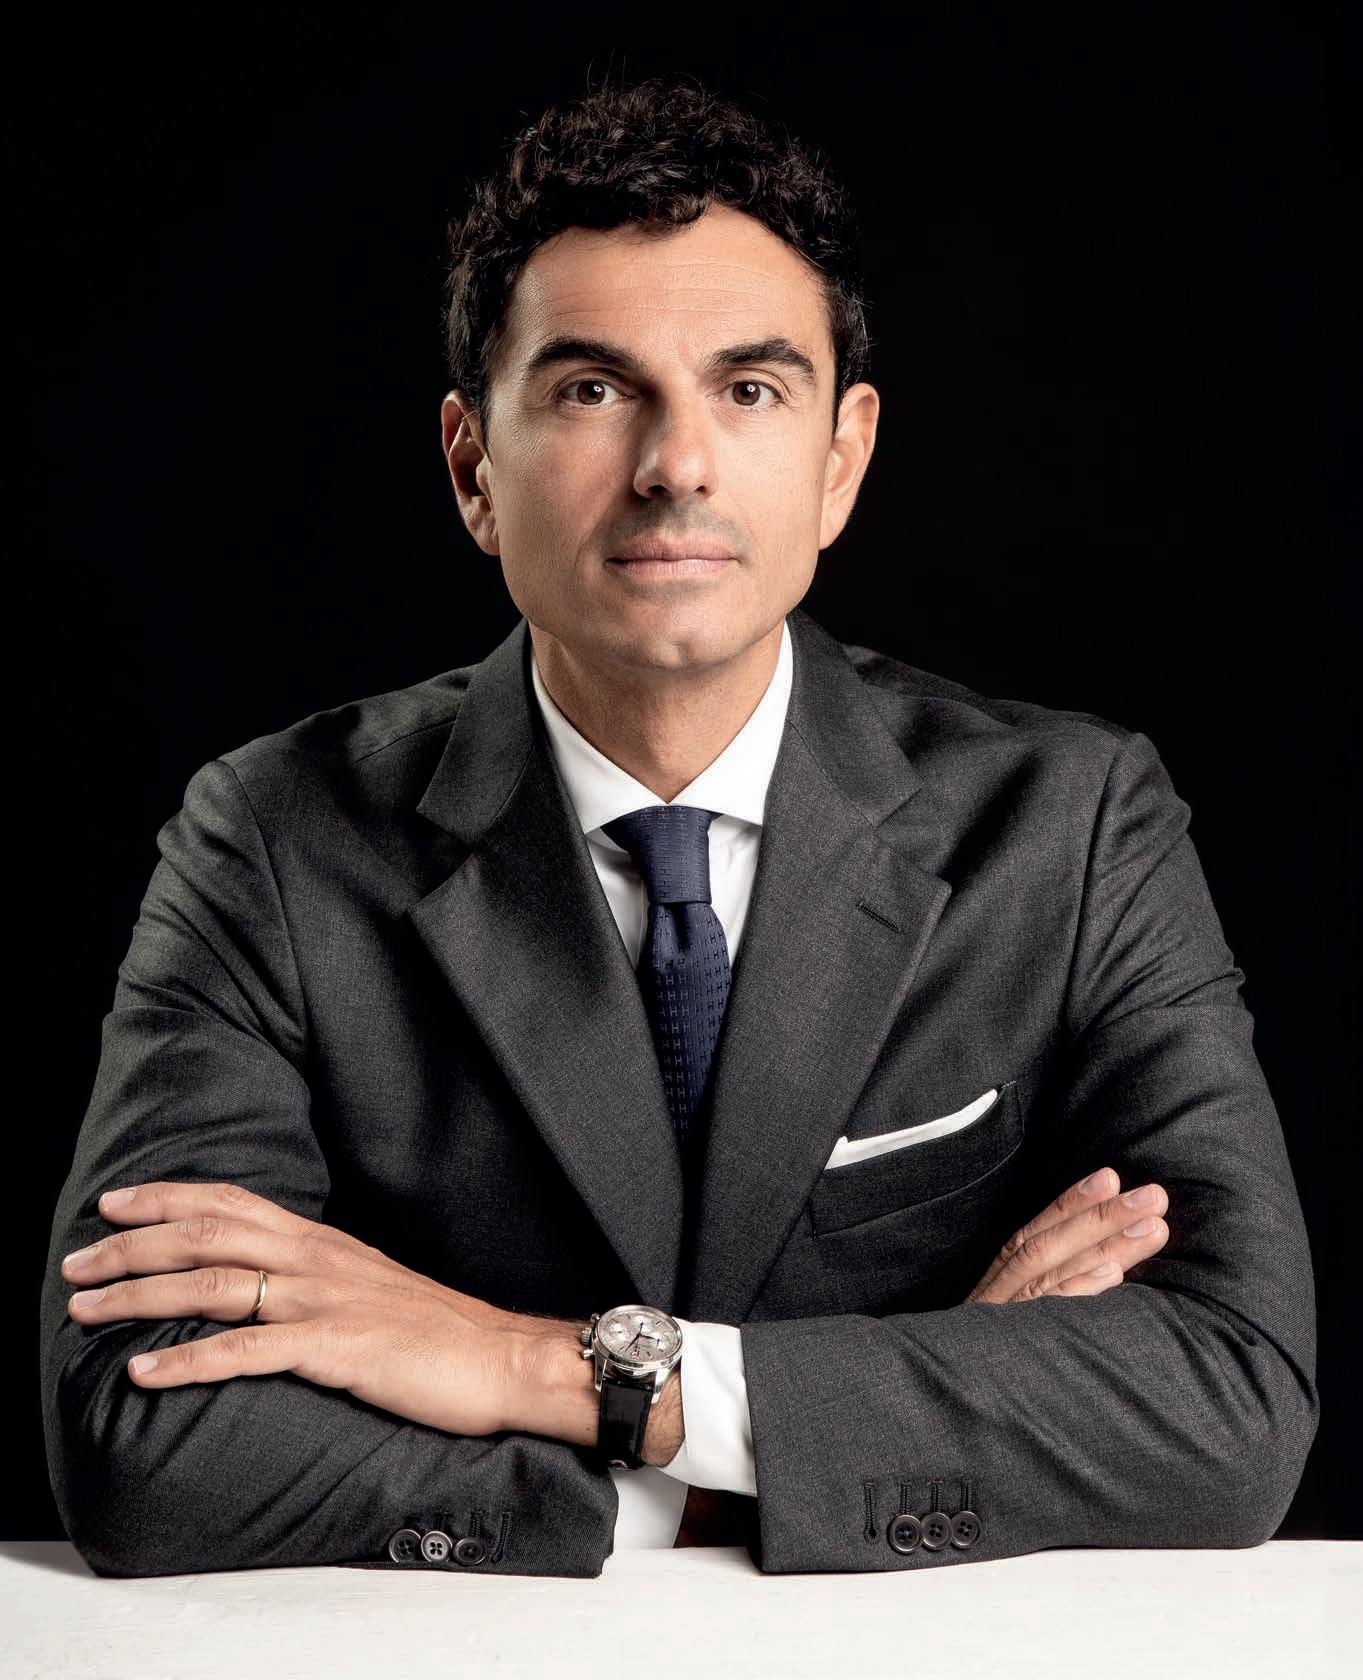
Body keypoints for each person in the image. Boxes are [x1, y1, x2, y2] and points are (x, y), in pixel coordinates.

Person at [41, 73, 1317, 1578]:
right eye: (593, 390)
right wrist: (774, 1466)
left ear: (841, 460)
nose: (677, 466)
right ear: (473, 468)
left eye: (750, 389)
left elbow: (1233, 1394)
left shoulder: (1076, 825)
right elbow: (143, 1437)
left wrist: (541, 1369)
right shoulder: (270, 841)